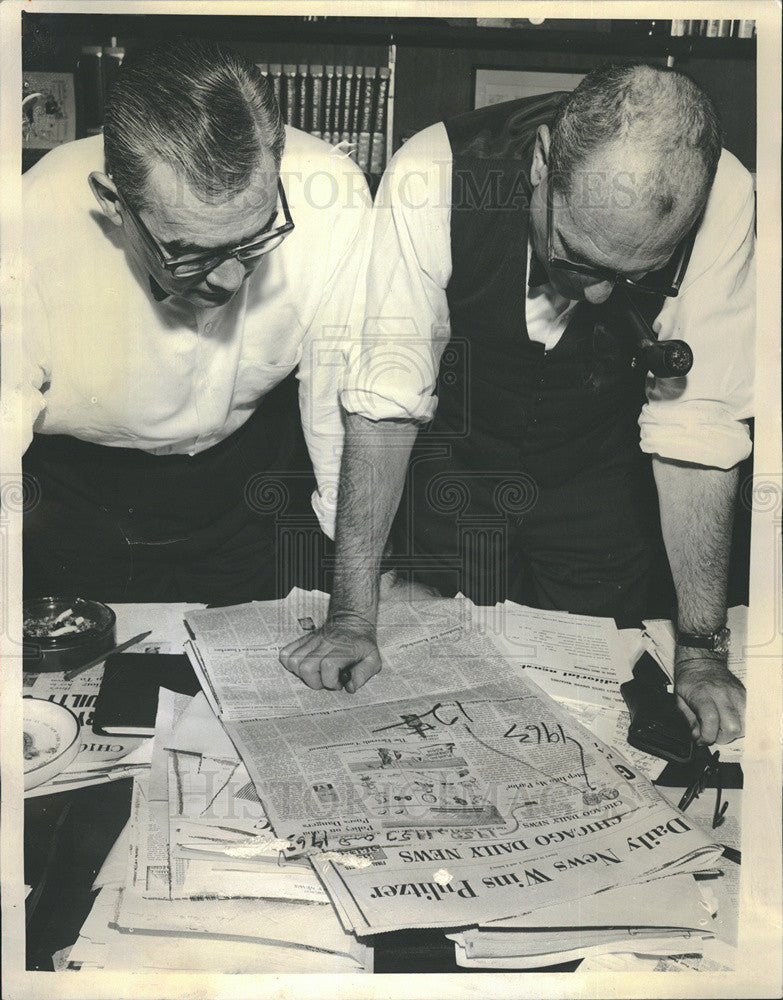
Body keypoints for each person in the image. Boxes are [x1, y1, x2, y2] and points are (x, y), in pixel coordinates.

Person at [280, 62, 754, 747]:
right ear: (539, 164)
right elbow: (383, 401)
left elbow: (698, 428)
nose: (597, 297)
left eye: (633, 275)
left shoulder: (725, 193)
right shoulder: (433, 173)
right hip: (456, 472)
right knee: (443, 696)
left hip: (601, 484)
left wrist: (702, 649)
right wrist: (352, 616)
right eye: (576, 257)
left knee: (598, 712)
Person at [12, 38, 370, 605]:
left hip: (248, 491)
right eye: (191, 252)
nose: (230, 282)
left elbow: (339, 409)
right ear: (112, 202)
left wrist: (354, 599)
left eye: (255, 239)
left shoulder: (332, 194)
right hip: (81, 502)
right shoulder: (27, 221)